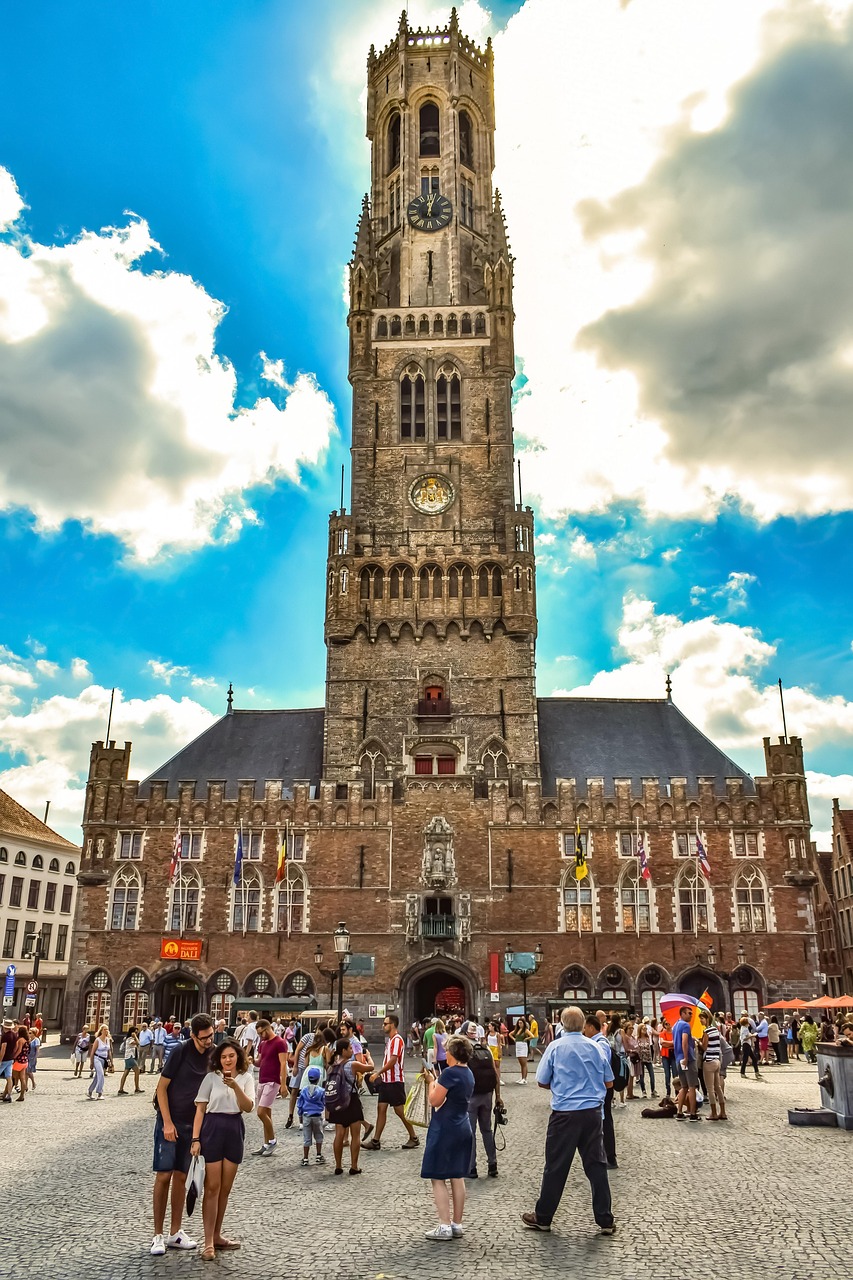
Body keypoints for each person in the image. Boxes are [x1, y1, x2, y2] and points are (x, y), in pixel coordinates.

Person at [522, 1006, 615, 1236]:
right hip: (592, 1113)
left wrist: (562, 1085)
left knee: (556, 1165)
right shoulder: (596, 1047)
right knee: (596, 1166)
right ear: (583, 1025)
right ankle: (605, 1219)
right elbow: (609, 1082)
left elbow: (542, 1081)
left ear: (562, 1024)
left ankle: (543, 1217)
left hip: (564, 1113)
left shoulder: (555, 1047)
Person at [150, 1012, 215, 1257]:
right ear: (193, 1036)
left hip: (193, 1125)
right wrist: (167, 1123)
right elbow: (161, 1088)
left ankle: (175, 1232)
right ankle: (157, 1235)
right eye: (204, 1038)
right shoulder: (180, 1051)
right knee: (163, 1175)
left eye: (211, 1036)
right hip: (171, 1121)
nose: (208, 1041)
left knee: (181, 1177)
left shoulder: (214, 1053)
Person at [191, 1035, 255, 1261]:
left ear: (238, 1056)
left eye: (231, 1056)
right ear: (219, 1059)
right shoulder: (211, 1078)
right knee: (212, 1187)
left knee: (225, 1188)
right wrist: (195, 1139)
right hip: (213, 1127)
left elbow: (248, 1107)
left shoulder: (247, 1077)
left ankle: (217, 1235)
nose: (228, 1060)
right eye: (224, 1057)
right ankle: (208, 1241)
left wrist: (235, 1086)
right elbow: (200, 1110)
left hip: (234, 1128)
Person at [421, 1034, 475, 1240]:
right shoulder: (468, 1073)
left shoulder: (449, 1073)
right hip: (463, 1125)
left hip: (445, 1127)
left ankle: (444, 1225)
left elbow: (434, 1101)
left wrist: (431, 1082)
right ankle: (457, 1224)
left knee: (437, 1176)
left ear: (452, 1053)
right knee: (457, 1175)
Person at [366, 1013, 420, 1152]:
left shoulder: (397, 1040)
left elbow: (393, 1061)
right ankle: (375, 1140)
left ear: (393, 1025)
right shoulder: (390, 1041)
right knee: (381, 1109)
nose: (383, 1026)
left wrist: (378, 1073)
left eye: (385, 1024)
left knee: (399, 1110)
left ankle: (414, 1137)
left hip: (394, 1080)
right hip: (386, 1081)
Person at [327, 1036, 374, 1174]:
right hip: (351, 1100)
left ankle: (338, 1166)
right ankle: (354, 1166)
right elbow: (370, 1067)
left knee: (339, 1135)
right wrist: (368, 1056)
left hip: (338, 1101)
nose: (352, 1051)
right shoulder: (352, 1064)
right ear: (343, 1050)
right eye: (350, 1048)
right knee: (355, 1135)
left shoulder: (332, 1066)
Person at [463, 1021, 499, 1179]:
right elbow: (495, 1073)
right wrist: (498, 1097)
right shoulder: (486, 1049)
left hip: (471, 1097)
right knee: (487, 1130)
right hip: (487, 1095)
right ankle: (492, 1164)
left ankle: (471, 1168)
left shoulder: (464, 1050)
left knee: (471, 1133)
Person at [583, 1013, 617, 1168]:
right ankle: (603, 1154)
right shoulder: (595, 1042)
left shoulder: (600, 1043)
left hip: (603, 1087)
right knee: (601, 1120)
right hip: (600, 1086)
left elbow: (601, 1066)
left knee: (605, 1120)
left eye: (585, 1028)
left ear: (591, 1027)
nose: (584, 1031)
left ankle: (610, 1156)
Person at [250, 1019, 288, 1157]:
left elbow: (283, 1064)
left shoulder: (280, 1042)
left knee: (261, 1112)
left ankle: (272, 1141)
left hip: (273, 1081)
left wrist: (283, 1084)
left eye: (261, 1033)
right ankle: (266, 1143)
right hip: (262, 1080)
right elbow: (260, 1062)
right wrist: (252, 1061)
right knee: (266, 1113)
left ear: (267, 1029)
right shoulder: (263, 1044)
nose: (260, 1036)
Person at [698, 1009, 727, 1121]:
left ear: (707, 1019)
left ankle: (714, 1113)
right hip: (717, 1060)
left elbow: (704, 1047)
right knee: (718, 1088)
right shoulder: (715, 1030)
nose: (700, 1020)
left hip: (709, 1061)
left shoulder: (707, 1031)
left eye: (702, 1018)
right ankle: (723, 1112)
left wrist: (698, 1041)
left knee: (710, 1089)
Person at [672, 1006, 699, 1121]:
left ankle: (679, 1112)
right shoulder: (685, 1025)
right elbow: (684, 1041)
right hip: (687, 1059)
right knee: (692, 1087)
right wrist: (686, 1057)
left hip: (678, 1059)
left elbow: (676, 1041)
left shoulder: (675, 1026)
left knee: (683, 1086)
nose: (691, 1015)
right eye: (689, 1013)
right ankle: (692, 1113)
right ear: (682, 1013)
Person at [297, 1066, 326, 1166]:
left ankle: (305, 1158)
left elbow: (300, 1105)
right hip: (317, 1116)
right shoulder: (321, 1091)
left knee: (307, 1138)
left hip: (306, 1116)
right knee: (319, 1136)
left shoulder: (304, 1090)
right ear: (318, 1079)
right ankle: (318, 1155)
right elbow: (325, 1102)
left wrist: (300, 1116)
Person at [87, 1024, 112, 1100]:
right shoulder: (97, 1040)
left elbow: (109, 1051)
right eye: (104, 1029)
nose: (106, 1031)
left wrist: (111, 1061)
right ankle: (99, 1093)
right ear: (101, 1031)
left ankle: (90, 1091)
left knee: (97, 1077)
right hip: (97, 1059)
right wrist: (91, 1062)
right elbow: (92, 1052)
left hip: (104, 1060)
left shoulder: (108, 1040)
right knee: (101, 1074)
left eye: (107, 1029)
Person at [118, 1026, 144, 1095]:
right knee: (137, 1071)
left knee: (126, 1073)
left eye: (137, 1032)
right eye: (135, 1032)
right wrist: (135, 1036)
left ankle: (121, 1089)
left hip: (130, 1057)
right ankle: (137, 1088)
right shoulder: (130, 1039)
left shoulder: (131, 1039)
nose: (136, 1033)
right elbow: (138, 1043)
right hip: (130, 1057)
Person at [636, 1022, 656, 1097]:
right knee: (642, 1076)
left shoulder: (648, 1038)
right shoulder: (637, 1039)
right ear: (640, 1030)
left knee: (652, 1075)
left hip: (648, 1058)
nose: (645, 1030)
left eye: (645, 1029)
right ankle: (643, 1091)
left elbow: (651, 1048)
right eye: (643, 1029)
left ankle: (653, 1090)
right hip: (641, 1059)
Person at [511, 1017, 532, 1083]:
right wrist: (514, 1039)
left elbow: (532, 1036)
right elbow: (510, 1034)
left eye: (521, 1023)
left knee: (524, 1063)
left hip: (523, 1046)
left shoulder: (525, 1030)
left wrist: (526, 1039)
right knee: (521, 1063)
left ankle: (524, 1078)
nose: (520, 1024)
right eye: (519, 1023)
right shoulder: (517, 1030)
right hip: (518, 1046)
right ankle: (522, 1077)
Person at [658, 1018, 674, 1098]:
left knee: (675, 1074)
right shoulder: (662, 1033)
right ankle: (668, 1092)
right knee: (667, 1075)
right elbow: (662, 1043)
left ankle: (677, 1091)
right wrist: (671, 1044)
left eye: (669, 1023)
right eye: (666, 1024)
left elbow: (675, 1043)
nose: (668, 1025)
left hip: (673, 1055)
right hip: (665, 1055)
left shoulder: (674, 1032)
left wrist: (667, 1044)